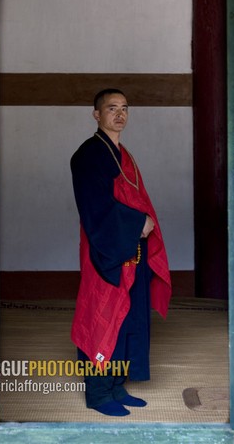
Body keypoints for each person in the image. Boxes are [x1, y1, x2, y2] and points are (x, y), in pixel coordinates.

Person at [70, 88, 171, 417]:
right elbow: (95, 208)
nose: (120, 114)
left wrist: (142, 224)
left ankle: (116, 385)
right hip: (107, 252)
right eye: (111, 108)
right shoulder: (88, 154)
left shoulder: (122, 153)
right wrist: (134, 223)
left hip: (132, 249)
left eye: (125, 108)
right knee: (103, 317)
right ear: (96, 114)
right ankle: (98, 393)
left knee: (129, 316)